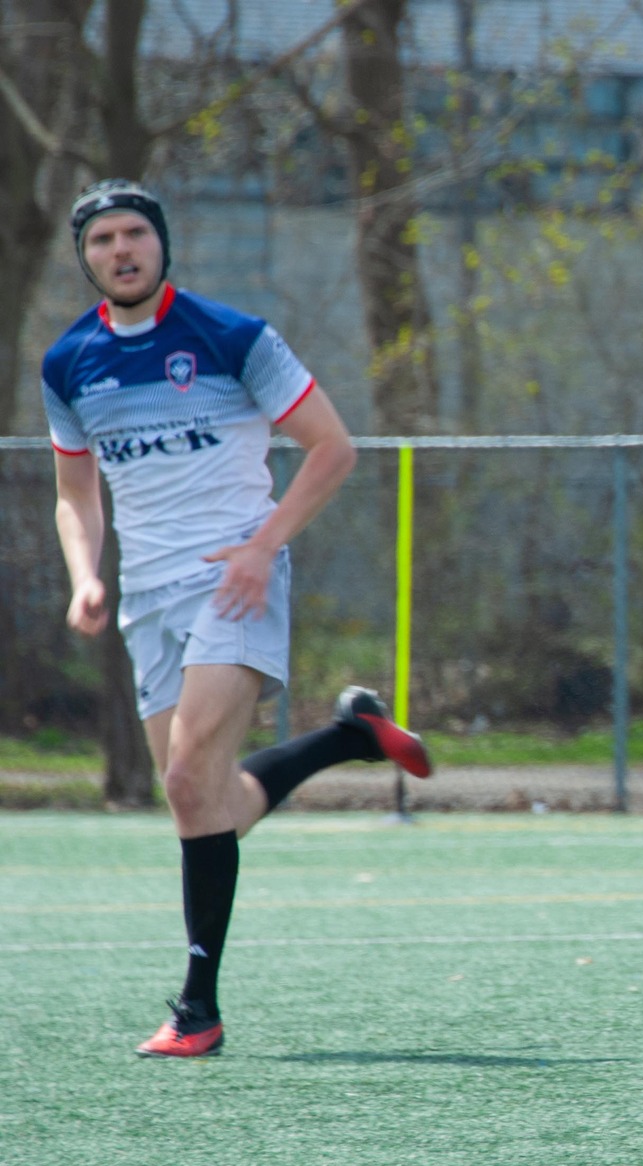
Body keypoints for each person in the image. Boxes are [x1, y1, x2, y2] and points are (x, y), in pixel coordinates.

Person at [43, 180, 431, 1058]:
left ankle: (197, 1008)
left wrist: (261, 547)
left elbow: (334, 448)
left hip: (234, 581)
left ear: (161, 243)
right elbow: (75, 494)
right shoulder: (68, 363)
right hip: (146, 597)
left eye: (135, 232)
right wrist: (84, 577)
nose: (121, 249)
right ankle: (348, 735)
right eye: (103, 239)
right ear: (87, 258)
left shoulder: (231, 337)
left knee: (186, 781)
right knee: (205, 800)